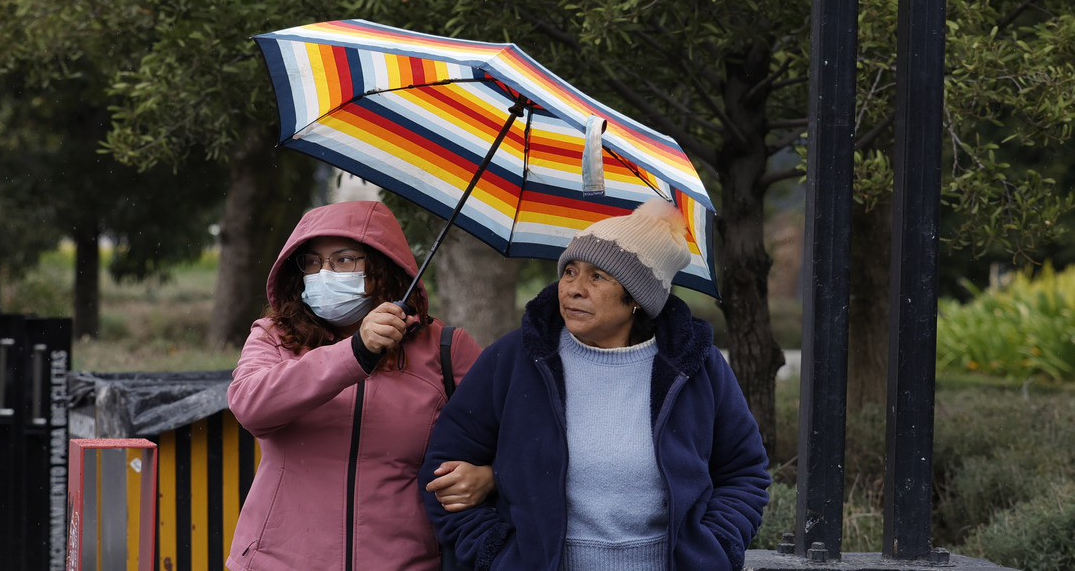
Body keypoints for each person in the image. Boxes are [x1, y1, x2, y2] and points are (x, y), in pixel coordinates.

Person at [420, 198, 770, 571]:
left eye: (597, 276)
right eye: (570, 271)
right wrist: (498, 555)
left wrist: (712, 551)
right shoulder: (516, 359)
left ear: (637, 297)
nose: (573, 288)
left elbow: (744, 473)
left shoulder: (695, 366)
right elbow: (442, 469)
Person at [226, 200, 494, 571]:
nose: (324, 273)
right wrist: (355, 352)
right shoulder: (276, 335)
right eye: (313, 262)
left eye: (344, 259)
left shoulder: (447, 348)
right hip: (278, 561)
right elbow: (250, 406)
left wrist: (489, 476)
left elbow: (518, 432)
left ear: (383, 266)